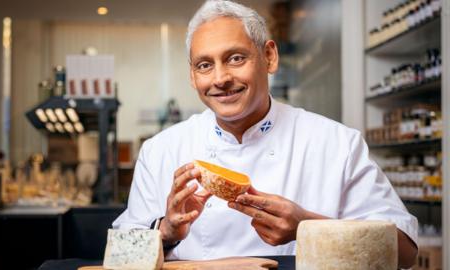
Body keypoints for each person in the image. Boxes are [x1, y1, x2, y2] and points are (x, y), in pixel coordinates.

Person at [113, 0, 418, 267]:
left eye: (235, 58)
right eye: (205, 65)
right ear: (193, 76)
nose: (221, 78)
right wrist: (166, 231)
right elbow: (120, 258)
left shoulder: (337, 143)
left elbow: (404, 251)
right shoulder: (160, 150)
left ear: (269, 57)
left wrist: (307, 225)